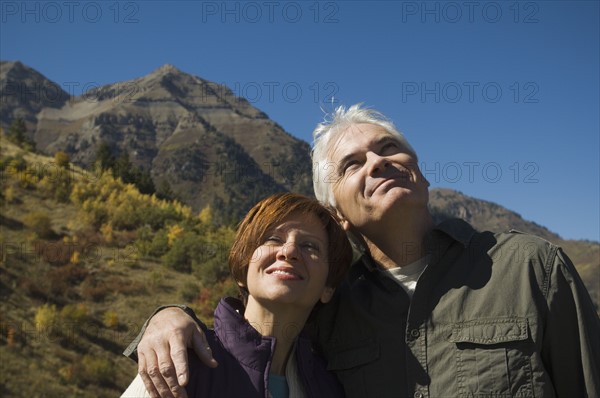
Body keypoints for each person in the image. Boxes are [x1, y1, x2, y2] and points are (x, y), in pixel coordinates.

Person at [124, 104, 600, 398]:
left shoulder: (528, 268)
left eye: (389, 147)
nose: (378, 162)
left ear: (420, 173)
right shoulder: (331, 303)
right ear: (339, 215)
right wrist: (167, 316)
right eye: (353, 164)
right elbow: (254, 331)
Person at [122, 192, 352, 397]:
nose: (289, 251)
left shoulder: (328, 387)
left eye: (310, 246)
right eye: (273, 239)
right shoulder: (181, 365)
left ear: (328, 288)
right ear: (243, 269)